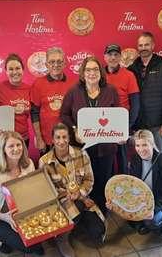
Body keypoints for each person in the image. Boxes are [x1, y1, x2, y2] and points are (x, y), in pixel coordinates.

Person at [107, 129, 162, 241]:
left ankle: (159, 226)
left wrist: (154, 208)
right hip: (144, 199)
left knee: (151, 221)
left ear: (152, 144)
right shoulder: (135, 159)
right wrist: (115, 202)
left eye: (144, 145)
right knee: (139, 217)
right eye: (138, 145)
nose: (141, 149)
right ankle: (145, 223)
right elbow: (131, 187)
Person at [61, 56, 119, 214]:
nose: (92, 73)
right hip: (82, 148)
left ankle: (103, 214)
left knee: (103, 180)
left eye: (95, 69)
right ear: (82, 73)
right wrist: (74, 128)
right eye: (88, 70)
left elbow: (117, 116)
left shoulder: (111, 90)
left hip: (105, 148)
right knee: (85, 181)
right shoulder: (74, 91)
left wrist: (120, 134)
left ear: (100, 72)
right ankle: (87, 215)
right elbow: (64, 114)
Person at [39, 123, 106, 257]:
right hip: (59, 204)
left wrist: (80, 193)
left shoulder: (81, 154)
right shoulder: (44, 162)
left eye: (64, 137)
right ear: (52, 139)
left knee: (98, 232)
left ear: (69, 138)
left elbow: (89, 180)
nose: (61, 141)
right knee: (77, 206)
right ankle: (62, 238)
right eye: (57, 137)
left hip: (82, 198)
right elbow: (45, 191)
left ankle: (75, 223)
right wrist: (66, 196)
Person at [0, 131, 44, 255]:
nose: (16, 149)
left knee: (39, 243)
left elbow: (31, 191)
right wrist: (5, 217)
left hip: (20, 211)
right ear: (3, 149)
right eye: (11, 146)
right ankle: (2, 239)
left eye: (19, 145)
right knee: (30, 247)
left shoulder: (29, 164)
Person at [128, 32, 162, 154]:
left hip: (158, 124)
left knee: (159, 157)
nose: (143, 48)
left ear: (153, 46)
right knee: (141, 157)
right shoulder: (132, 69)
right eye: (140, 45)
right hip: (139, 124)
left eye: (146, 44)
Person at [31, 47, 76, 155]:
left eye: (59, 61)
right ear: (46, 65)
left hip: (68, 139)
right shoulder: (38, 84)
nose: (56, 65)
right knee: (49, 171)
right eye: (52, 62)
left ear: (64, 63)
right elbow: (34, 113)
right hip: (47, 140)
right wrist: (39, 138)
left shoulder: (73, 84)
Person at [104, 43, 140, 173]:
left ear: (120, 57)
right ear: (105, 57)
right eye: (110, 55)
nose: (113, 58)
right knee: (106, 159)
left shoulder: (129, 75)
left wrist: (128, 125)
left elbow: (135, 103)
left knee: (123, 159)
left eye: (116, 55)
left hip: (122, 123)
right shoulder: (99, 75)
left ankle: (124, 186)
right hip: (103, 123)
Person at [0, 53, 31, 146]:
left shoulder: (29, 89)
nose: (15, 72)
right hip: (2, 139)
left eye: (17, 68)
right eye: (11, 69)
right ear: (6, 71)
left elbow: (34, 114)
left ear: (23, 69)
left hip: (22, 139)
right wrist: (9, 110)